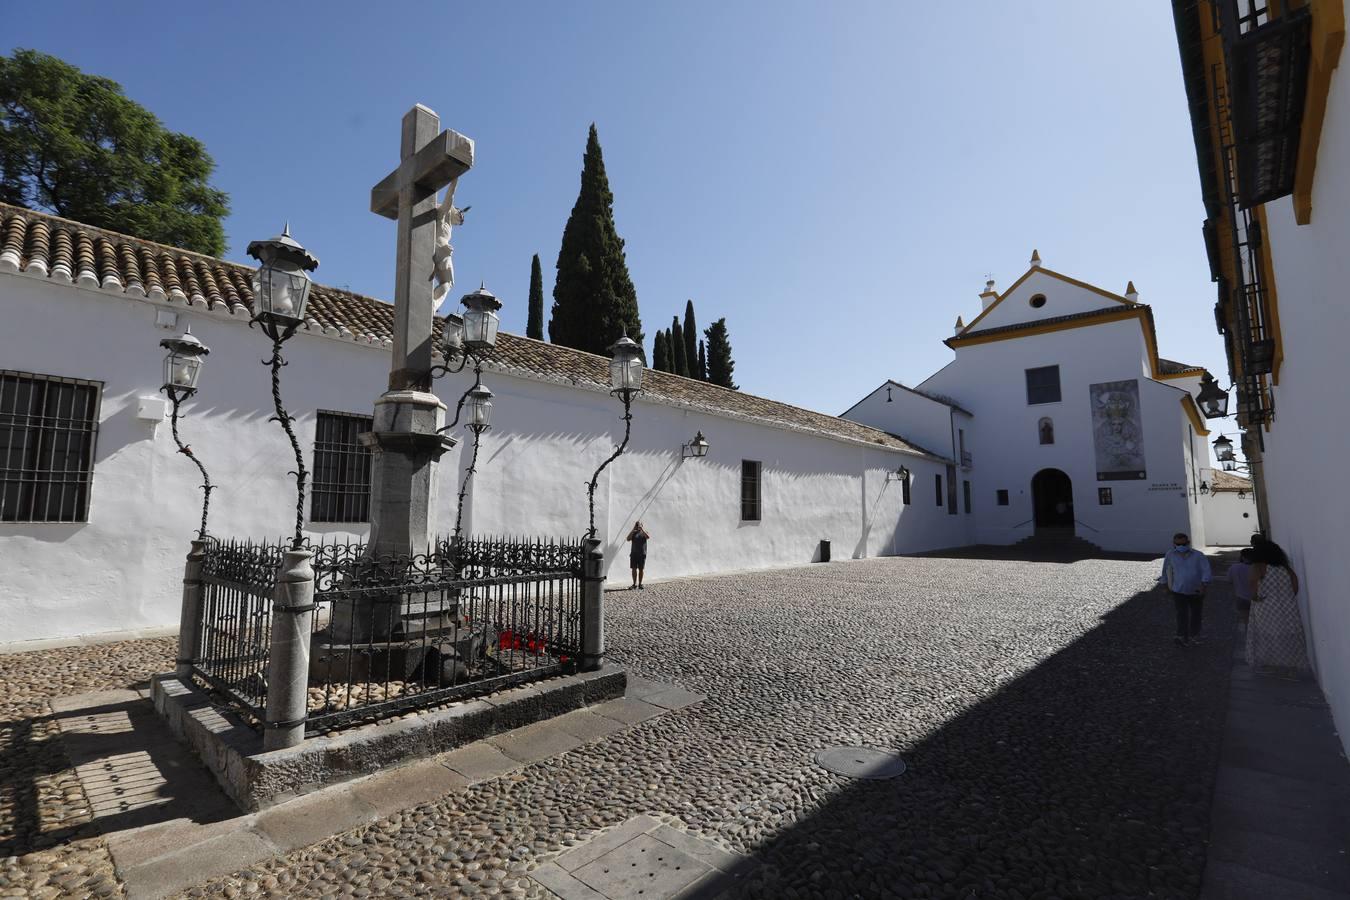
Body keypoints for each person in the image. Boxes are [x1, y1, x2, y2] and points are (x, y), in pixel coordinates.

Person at [1246, 540, 1310, 677]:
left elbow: (1252, 585)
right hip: (1287, 606)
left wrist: (1255, 597)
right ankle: (1289, 664)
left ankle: (1270, 663)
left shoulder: (1258, 567)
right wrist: (1285, 599)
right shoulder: (1286, 568)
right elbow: (1295, 587)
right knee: (1287, 634)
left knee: (1266, 635)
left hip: (1265, 606)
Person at [1159, 532, 1211, 646]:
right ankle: (1181, 635)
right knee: (1181, 614)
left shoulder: (1198, 555)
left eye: (1183, 544)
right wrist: (1164, 586)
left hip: (1196, 590)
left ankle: (1195, 634)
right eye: (1178, 544)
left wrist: (1204, 585)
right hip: (1178, 590)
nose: (1181, 546)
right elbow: (1165, 570)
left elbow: (1206, 570)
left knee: (1196, 614)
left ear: (1188, 542)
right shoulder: (1170, 554)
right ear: (1174, 544)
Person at [1228, 548, 1255, 630]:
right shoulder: (1257, 568)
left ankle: (1249, 640)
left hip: (1241, 598)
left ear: (1242, 557)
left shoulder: (1234, 567)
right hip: (1257, 598)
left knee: (1247, 622)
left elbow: (1229, 581)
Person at [627, 520, 650, 590]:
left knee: (641, 569)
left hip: (642, 554)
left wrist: (642, 529)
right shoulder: (633, 533)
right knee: (634, 569)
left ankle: (640, 584)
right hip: (634, 554)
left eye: (639, 525)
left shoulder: (644, 532)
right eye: (637, 525)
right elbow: (628, 539)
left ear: (642, 525)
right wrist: (633, 529)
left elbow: (648, 537)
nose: (638, 526)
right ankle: (634, 584)